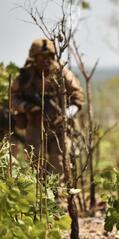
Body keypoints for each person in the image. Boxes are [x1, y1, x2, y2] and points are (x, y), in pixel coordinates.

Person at [11, 38, 84, 174]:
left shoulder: (62, 73)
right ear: (34, 58)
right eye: (41, 57)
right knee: (35, 164)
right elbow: (12, 98)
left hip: (59, 127)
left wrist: (65, 114)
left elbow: (78, 98)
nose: (46, 61)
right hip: (34, 125)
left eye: (49, 57)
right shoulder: (25, 76)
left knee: (60, 164)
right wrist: (26, 106)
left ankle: (59, 193)